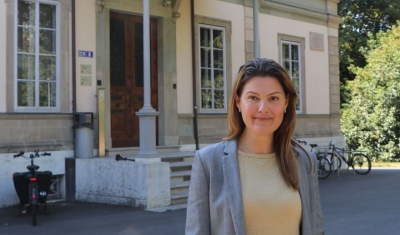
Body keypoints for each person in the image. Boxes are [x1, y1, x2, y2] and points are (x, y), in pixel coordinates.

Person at [185, 58, 324, 235]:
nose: (263, 108)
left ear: (286, 103)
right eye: (253, 98)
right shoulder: (208, 162)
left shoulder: (305, 161)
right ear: (238, 102)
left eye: (273, 98)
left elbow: (316, 229)